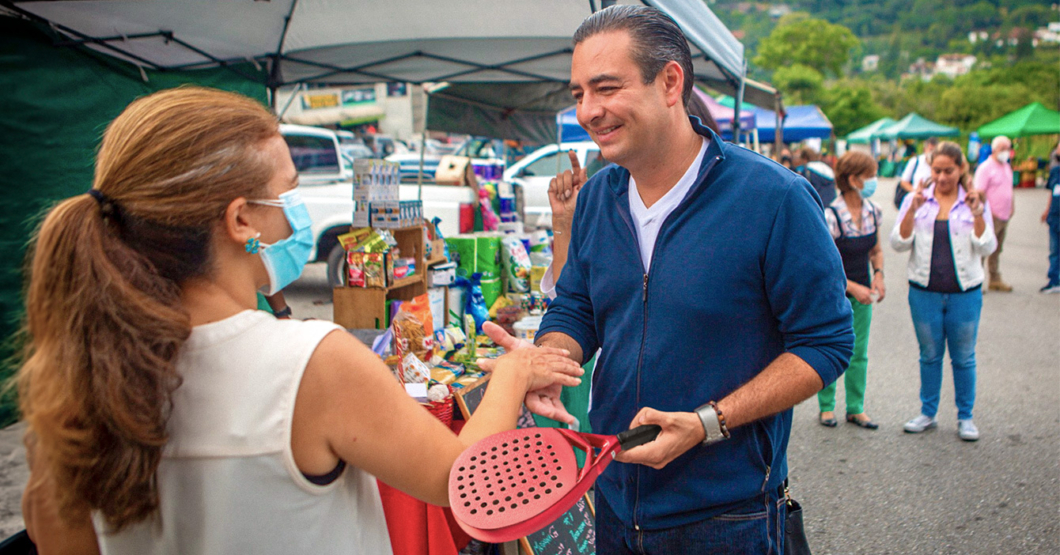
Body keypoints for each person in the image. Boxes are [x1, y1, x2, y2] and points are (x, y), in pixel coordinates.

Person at [17, 86, 584, 554]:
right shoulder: (310, 363)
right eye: (287, 193)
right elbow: (462, 482)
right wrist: (513, 371)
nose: (295, 214)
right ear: (242, 220)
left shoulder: (66, 381)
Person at [478, 6, 854, 552]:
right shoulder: (599, 198)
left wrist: (708, 422)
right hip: (610, 495)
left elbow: (826, 342)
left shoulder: (775, 199)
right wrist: (550, 360)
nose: (588, 110)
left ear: (670, 81)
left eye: (606, 88)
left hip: (728, 515)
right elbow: (578, 307)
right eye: (578, 92)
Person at [891, 141, 996, 442]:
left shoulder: (974, 202)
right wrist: (912, 209)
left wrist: (977, 213)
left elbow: (987, 246)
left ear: (961, 169)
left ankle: (966, 417)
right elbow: (898, 243)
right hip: (924, 292)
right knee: (929, 355)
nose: (941, 177)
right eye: (936, 170)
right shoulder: (917, 199)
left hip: (965, 293)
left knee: (963, 357)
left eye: (948, 171)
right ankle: (928, 413)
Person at [818, 151, 886, 430]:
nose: (873, 181)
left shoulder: (873, 211)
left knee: (860, 352)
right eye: (869, 175)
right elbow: (824, 265)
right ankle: (826, 406)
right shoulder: (831, 215)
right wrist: (853, 287)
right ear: (853, 178)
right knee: (831, 348)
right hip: (835, 293)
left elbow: (876, 250)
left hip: (863, 293)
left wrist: (879, 275)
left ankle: (855, 408)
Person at [974, 135, 1015, 292]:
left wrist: (1012, 206)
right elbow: (979, 192)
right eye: (1003, 149)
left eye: (1008, 149)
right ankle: (977, 279)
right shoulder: (985, 168)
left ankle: (995, 278)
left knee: (997, 250)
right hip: (991, 216)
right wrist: (983, 214)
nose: (1006, 152)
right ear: (994, 149)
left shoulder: (1006, 166)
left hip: (1004, 215)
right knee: (984, 247)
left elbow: (1009, 189)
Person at [897, 137, 938, 209]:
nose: (932, 153)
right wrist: (916, 192)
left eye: (935, 151)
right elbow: (904, 181)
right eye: (931, 150)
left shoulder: (940, 164)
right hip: (916, 202)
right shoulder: (916, 161)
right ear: (925, 149)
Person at [1041, 141, 1060, 294]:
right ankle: (1054, 280)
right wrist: (1047, 211)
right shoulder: (1055, 171)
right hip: (1055, 217)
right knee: (1054, 251)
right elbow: (1051, 193)